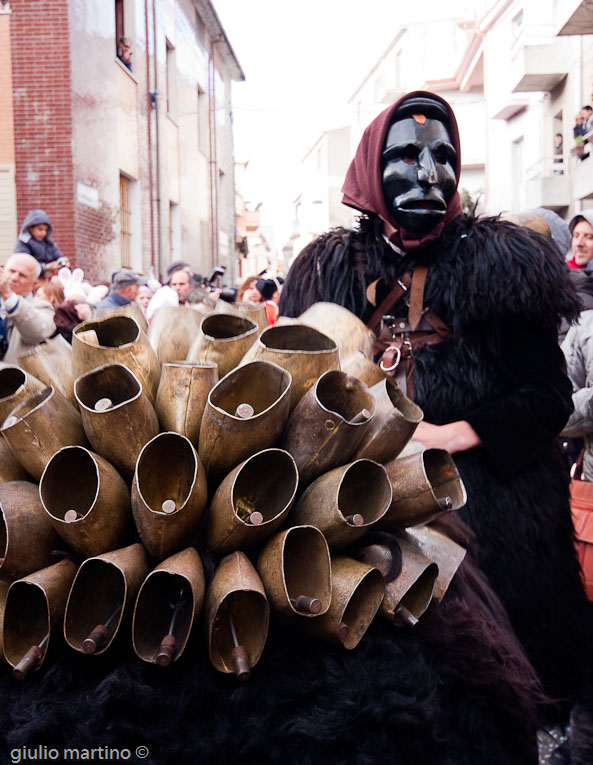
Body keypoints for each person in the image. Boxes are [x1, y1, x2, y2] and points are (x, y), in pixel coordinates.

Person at [279, 91, 593, 755]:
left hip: (489, 525)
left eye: (442, 156)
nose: (427, 173)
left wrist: (455, 433)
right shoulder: (327, 271)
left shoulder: (500, 265)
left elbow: (546, 396)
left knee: (489, 706)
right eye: (405, 156)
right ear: (369, 168)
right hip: (361, 514)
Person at [0, 253, 56, 363]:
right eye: (11, 271)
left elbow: (38, 333)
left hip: (14, 378)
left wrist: (10, 298)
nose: (14, 278)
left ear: (33, 284)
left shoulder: (42, 307)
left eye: (22, 275)